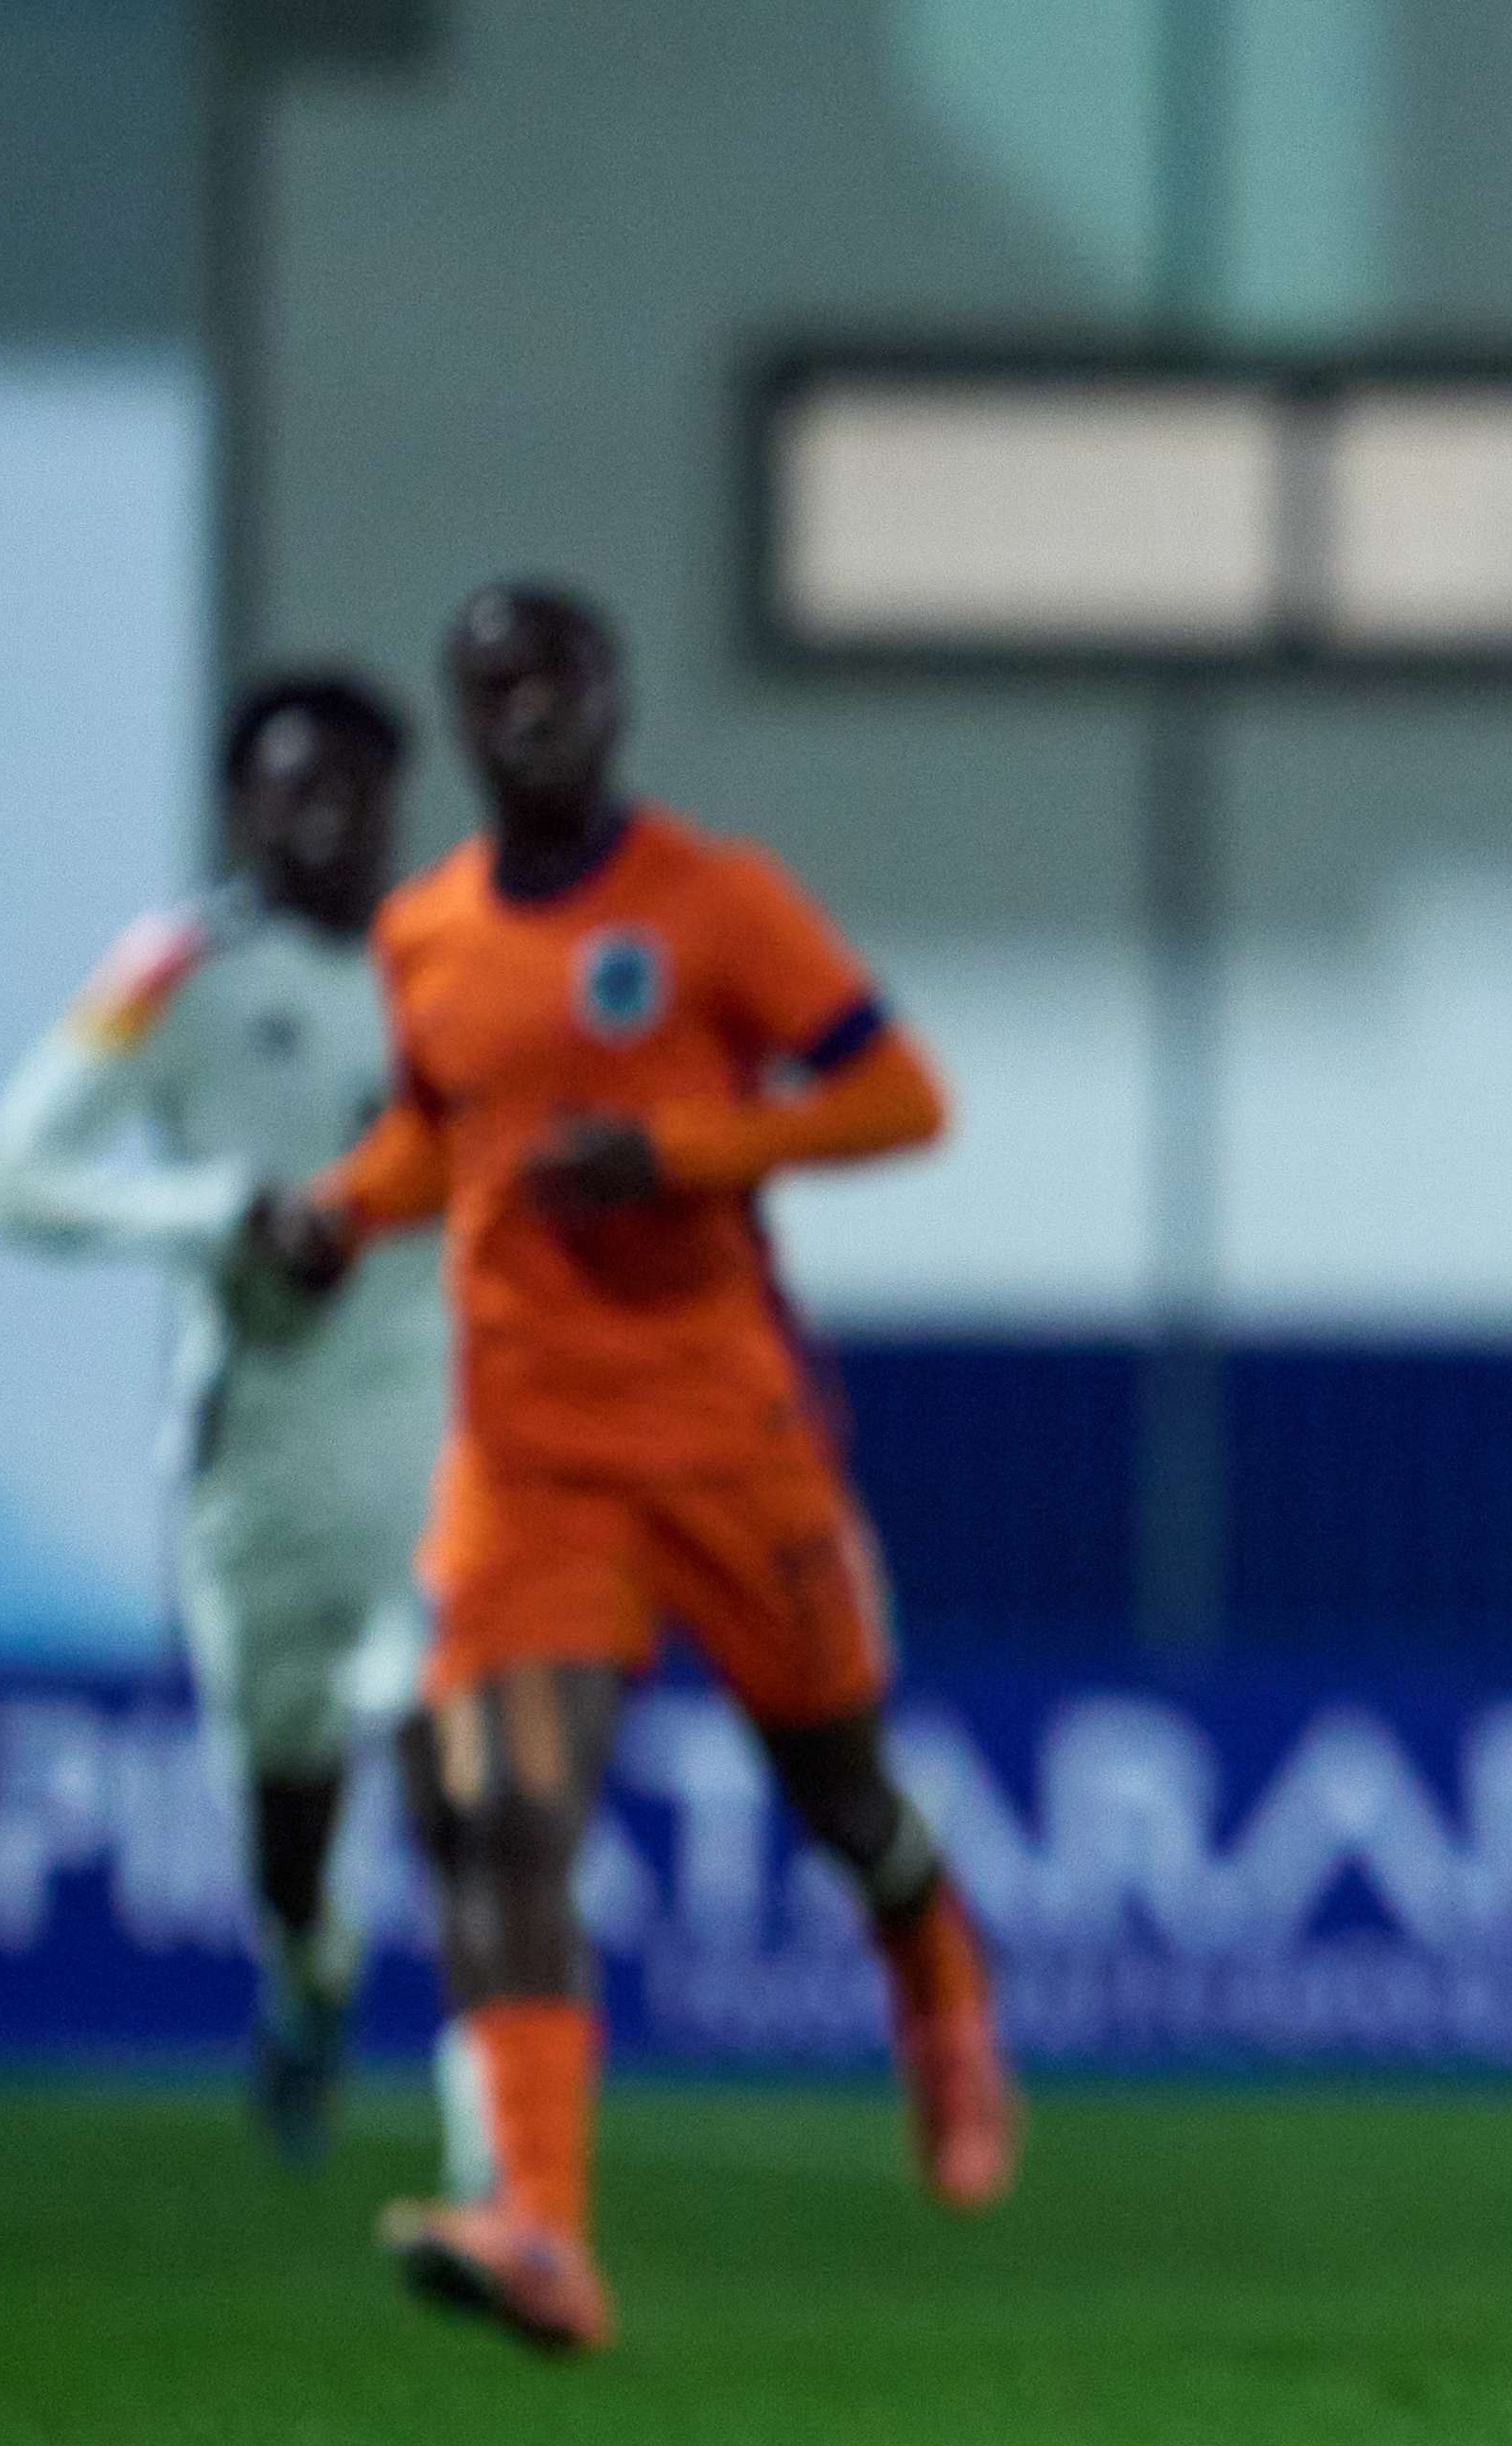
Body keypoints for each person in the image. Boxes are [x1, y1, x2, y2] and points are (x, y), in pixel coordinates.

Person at [260, 581, 1014, 2355]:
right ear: (463, 718)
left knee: (843, 1797)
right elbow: (444, 1136)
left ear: (611, 698)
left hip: (727, 1442)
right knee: (502, 1819)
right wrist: (341, 1210)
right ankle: (541, 2226)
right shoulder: (427, 932)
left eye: (556, 678)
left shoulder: (714, 903)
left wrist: (681, 1147)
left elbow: (901, 1095)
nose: (526, 710)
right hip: (528, 1460)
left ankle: (939, 1988)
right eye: (491, 685)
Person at [0, 670, 443, 2167]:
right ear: (242, 804)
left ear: (396, 803)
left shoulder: (458, 964)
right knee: (291, 1795)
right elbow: (13, 1175)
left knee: (463, 1756)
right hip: (266, 1449)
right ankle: (307, 1975)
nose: (324, 814)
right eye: (290, 785)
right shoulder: (176, 970)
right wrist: (218, 1213)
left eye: (353, 787)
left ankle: (508, 2161)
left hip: (443, 1429)